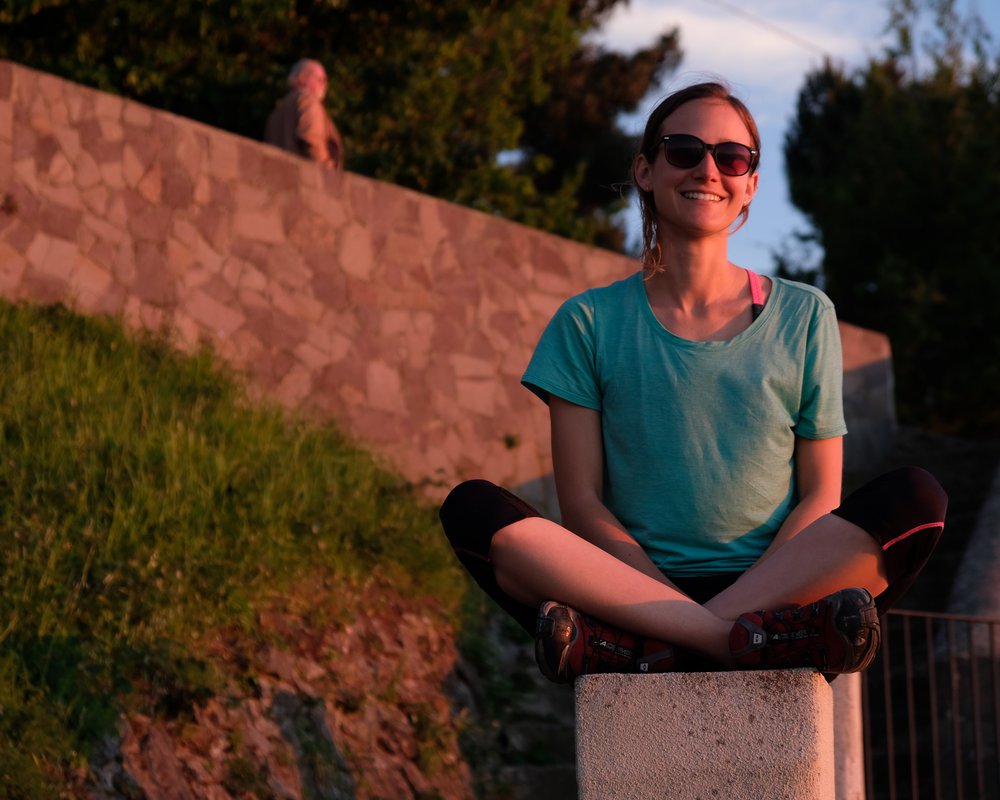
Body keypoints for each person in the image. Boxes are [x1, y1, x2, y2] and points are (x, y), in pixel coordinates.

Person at [438, 80, 948, 684]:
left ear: (750, 184)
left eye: (732, 157)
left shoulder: (806, 314)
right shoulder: (588, 321)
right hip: (629, 587)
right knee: (472, 509)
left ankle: (643, 651)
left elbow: (819, 497)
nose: (708, 169)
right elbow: (582, 504)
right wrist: (674, 609)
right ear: (645, 171)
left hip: (781, 584)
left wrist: (734, 603)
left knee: (917, 500)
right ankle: (740, 643)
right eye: (684, 150)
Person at [265, 59, 344, 169]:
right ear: (302, 78)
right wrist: (325, 169)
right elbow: (311, 139)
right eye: (320, 79)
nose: (325, 84)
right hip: (307, 174)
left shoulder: (278, 110)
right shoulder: (309, 100)